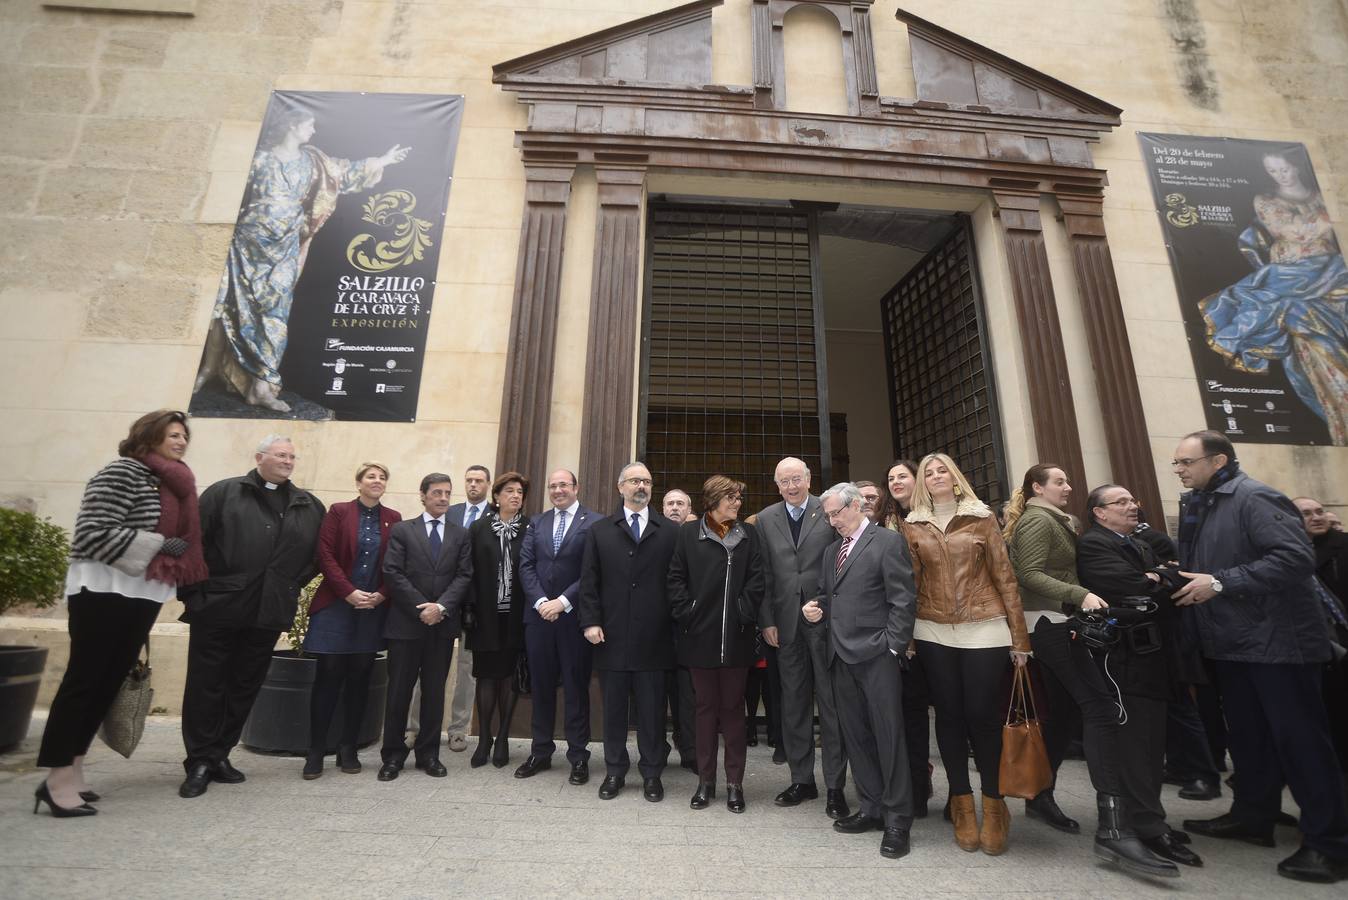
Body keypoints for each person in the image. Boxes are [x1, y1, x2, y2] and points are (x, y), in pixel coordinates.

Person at [1172, 430, 1348, 883]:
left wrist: (1221, 582)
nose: (1180, 470)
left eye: (1186, 462)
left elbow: (1293, 559)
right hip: (1234, 644)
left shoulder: (1255, 498)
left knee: (1302, 744)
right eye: (1178, 463)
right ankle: (1253, 816)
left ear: (1218, 460)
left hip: (1279, 645)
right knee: (1250, 740)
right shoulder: (1203, 503)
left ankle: (1330, 844)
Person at [34, 411, 207, 817]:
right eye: (172, 435)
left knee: (107, 682)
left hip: (143, 590)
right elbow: (92, 531)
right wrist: (161, 546)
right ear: (149, 436)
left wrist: (168, 552)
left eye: (184, 436)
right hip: (103, 587)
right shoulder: (123, 471)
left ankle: (72, 770)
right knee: (84, 680)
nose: (180, 442)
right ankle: (57, 778)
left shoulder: (176, 482)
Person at [192, 110, 411, 412]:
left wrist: (382, 161)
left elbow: (342, 172)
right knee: (229, 304)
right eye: (309, 125)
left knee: (274, 314)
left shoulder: (312, 161)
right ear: (292, 126)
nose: (313, 130)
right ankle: (208, 369)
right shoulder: (260, 160)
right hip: (247, 242)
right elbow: (230, 194)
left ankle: (261, 385)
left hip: (284, 246)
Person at [178, 435, 325, 798]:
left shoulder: (307, 504)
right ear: (260, 457)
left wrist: (287, 586)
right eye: (280, 454)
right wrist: (195, 594)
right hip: (218, 607)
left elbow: (314, 558)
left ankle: (220, 754)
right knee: (206, 685)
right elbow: (193, 542)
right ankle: (198, 759)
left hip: (268, 611)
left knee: (244, 686)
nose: (288, 461)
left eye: (292, 456)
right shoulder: (224, 493)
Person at [902, 452, 1030, 855]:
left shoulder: (981, 517)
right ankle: (961, 804)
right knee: (950, 716)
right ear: (922, 483)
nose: (936, 476)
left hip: (984, 626)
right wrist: (906, 636)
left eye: (942, 470)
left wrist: (1020, 638)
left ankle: (994, 806)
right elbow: (911, 583)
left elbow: (1004, 576)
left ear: (955, 478)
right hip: (932, 629)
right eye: (929, 472)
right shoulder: (912, 524)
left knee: (982, 716)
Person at [1073, 483, 1201, 876]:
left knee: (1150, 743)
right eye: (1122, 502)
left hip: (1154, 657)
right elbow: (1132, 585)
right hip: (1123, 660)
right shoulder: (1095, 545)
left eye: (1134, 499)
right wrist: (1161, 578)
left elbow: (1168, 573)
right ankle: (1137, 823)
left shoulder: (1139, 542)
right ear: (1099, 512)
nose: (1133, 506)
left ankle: (1151, 820)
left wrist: (1159, 575)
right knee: (1133, 742)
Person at [1199, 151, 1348, 445]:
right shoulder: (1267, 201)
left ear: (1296, 165)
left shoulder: (1321, 196)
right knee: (1313, 344)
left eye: (1284, 168)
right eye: (1273, 171)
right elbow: (1295, 232)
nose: (1281, 175)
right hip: (1290, 282)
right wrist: (1332, 214)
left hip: (1334, 280)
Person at [804, 482, 918, 859]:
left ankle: (898, 818)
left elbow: (903, 599)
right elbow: (828, 594)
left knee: (889, 737)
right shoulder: (831, 551)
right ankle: (871, 807)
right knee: (856, 737)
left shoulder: (886, 542)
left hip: (876, 656)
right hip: (840, 655)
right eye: (829, 516)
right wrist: (814, 607)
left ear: (858, 507)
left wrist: (892, 646)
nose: (833, 521)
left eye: (838, 513)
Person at [1002, 463, 1097, 834]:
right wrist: (1080, 594)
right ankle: (1041, 793)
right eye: (1059, 481)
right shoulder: (1038, 521)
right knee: (1083, 704)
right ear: (1038, 488)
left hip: (1056, 620)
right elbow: (1029, 573)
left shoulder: (1054, 519)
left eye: (1067, 479)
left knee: (1064, 710)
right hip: (1045, 623)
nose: (1068, 486)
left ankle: (1042, 793)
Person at [755, 457, 849, 819]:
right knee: (793, 704)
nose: (791, 486)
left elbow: (843, 559)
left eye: (797, 478)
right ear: (776, 485)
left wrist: (827, 603)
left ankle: (836, 787)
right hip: (785, 624)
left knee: (831, 705)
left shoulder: (827, 510)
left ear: (809, 479)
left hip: (825, 621)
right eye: (784, 481)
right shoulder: (765, 518)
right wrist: (767, 620)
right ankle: (802, 780)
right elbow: (763, 573)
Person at [579, 462, 679, 801]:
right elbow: (589, 582)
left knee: (652, 712)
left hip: (655, 638)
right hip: (611, 637)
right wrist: (591, 622)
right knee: (615, 711)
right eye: (636, 480)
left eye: (648, 481)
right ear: (620, 486)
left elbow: (677, 583)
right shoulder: (601, 531)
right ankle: (615, 772)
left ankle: (652, 774)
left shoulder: (669, 531)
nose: (642, 486)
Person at [669, 475, 765, 813]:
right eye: (731, 498)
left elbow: (757, 580)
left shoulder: (749, 535)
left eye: (739, 498)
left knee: (734, 713)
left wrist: (743, 611)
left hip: (737, 640)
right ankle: (705, 781)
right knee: (705, 711)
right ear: (712, 500)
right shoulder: (687, 534)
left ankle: (734, 784)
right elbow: (675, 578)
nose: (737, 503)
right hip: (699, 640)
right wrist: (689, 611)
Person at [302, 461, 401, 780]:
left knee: (360, 677)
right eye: (371, 476)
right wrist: (347, 592)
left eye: (382, 477)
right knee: (328, 676)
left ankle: (348, 748)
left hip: (372, 609)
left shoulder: (393, 519)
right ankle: (316, 750)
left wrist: (382, 594)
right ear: (359, 483)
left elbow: (397, 564)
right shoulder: (339, 512)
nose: (377, 480)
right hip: (336, 605)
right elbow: (325, 556)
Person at [377, 473, 471, 781]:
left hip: (441, 627)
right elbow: (392, 571)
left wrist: (441, 607)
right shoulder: (404, 530)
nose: (443, 498)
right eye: (437, 493)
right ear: (423, 495)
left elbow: (464, 576)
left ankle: (428, 754)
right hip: (406, 625)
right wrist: (422, 608)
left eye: (447, 493)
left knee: (434, 692)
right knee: (399, 693)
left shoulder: (460, 534)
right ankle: (392, 756)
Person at [516, 469, 596, 783]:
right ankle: (541, 751)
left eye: (563, 484)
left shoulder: (593, 522)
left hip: (574, 619)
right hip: (538, 618)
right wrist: (540, 602)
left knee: (577, 688)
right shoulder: (536, 522)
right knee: (541, 687)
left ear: (576, 487)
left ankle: (578, 756)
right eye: (552, 486)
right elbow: (526, 565)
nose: (558, 490)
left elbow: (592, 569)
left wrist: (562, 602)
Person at [463, 473, 531, 770]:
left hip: (516, 616)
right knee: (486, 677)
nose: (515, 496)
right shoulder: (478, 529)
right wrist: (469, 608)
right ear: (497, 496)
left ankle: (503, 736)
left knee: (509, 678)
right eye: (509, 491)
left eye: (519, 492)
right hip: (485, 617)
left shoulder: (530, 529)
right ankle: (484, 738)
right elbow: (469, 571)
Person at [879, 458, 934, 816]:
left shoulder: (935, 520)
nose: (896, 481)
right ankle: (915, 788)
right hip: (904, 634)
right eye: (891, 478)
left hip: (938, 624)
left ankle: (960, 796)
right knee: (910, 715)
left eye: (903, 476)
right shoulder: (888, 525)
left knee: (947, 714)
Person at [444, 464, 492, 753]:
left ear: (488, 484)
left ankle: (458, 729)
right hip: (446, 600)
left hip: (477, 605)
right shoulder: (449, 513)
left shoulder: (495, 517)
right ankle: (414, 729)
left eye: (479, 480)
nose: (473, 485)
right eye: (469, 480)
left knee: (467, 668)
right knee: (429, 667)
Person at [662, 488, 699, 768]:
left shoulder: (699, 536)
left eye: (680, 503)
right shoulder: (654, 534)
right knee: (653, 693)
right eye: (670, 503)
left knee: (688, 696)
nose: (675, 507)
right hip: (656, 628)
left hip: (688, 628)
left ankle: (690, 751)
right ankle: (657, 750)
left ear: (689, 509)